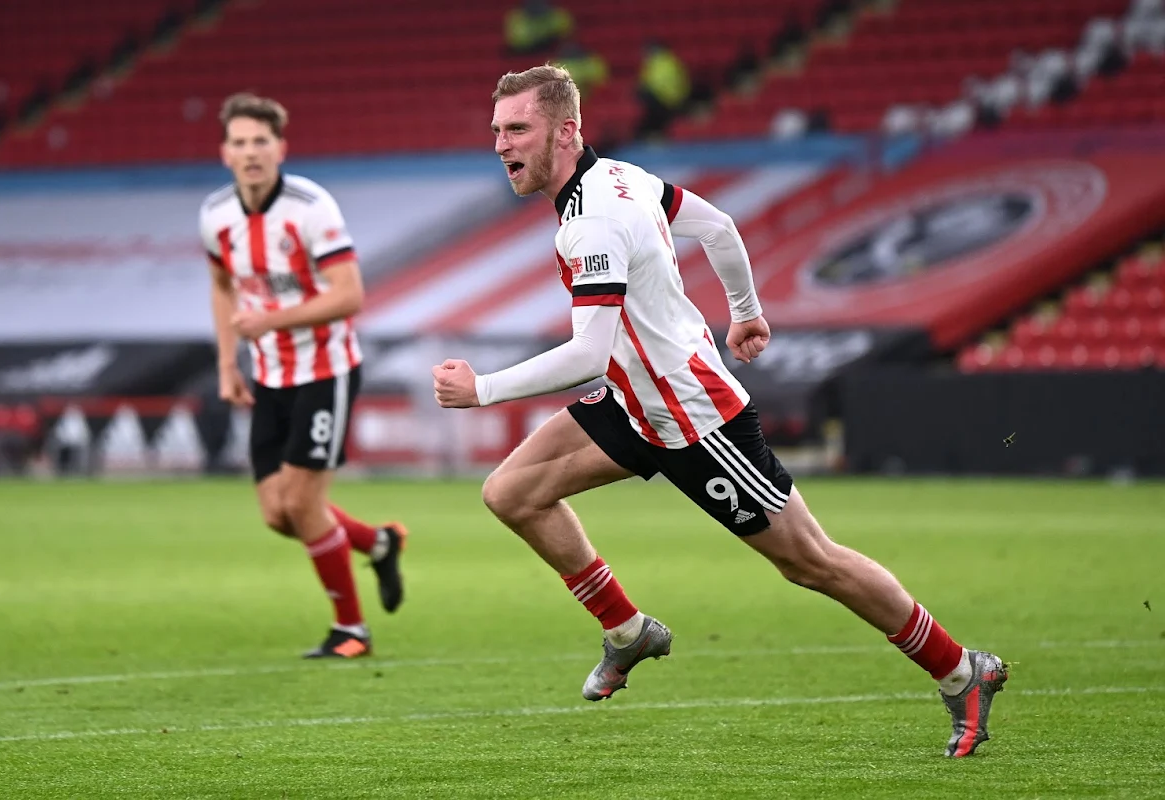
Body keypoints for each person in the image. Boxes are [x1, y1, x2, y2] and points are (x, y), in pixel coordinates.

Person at [432, 65, 1008, 757]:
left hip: (695, 420)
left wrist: (483, 390)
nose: (501, 144)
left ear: (566, 132)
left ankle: (959, 669)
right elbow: (719, 226)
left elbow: (589, 351)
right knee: (512, 492)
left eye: (517, 128)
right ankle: (627, 631)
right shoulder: (624, 176)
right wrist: (746, 313)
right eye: (496, 129)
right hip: (636, 401)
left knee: (810, 562)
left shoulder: (593, 221)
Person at [200, 93, 407, 659]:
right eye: (239, 143)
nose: (250, 153)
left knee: (303, 504)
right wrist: (227, 364)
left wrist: (270, 319)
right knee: (277, 513)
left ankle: (351, 631)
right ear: (225, 152)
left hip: (325, 371)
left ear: (280, 148)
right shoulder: (216, 215)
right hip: (269, 375)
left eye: (260, 142)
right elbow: (222, 286)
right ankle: (378, 542)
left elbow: (350, 295)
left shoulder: (311, 207)